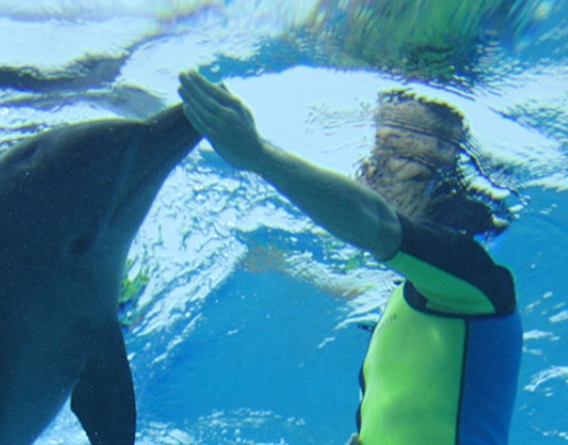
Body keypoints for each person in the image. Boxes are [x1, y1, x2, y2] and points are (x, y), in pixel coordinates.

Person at [178, 70, 522, 445]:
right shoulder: (412, 306)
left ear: (442, 167)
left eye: (394, 153)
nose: (370, 170)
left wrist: (259, 156)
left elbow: (373, 223)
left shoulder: (475, 286)